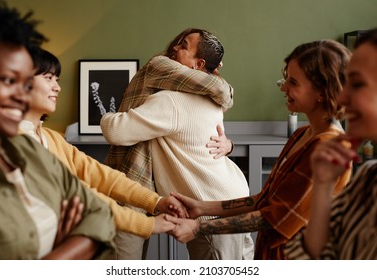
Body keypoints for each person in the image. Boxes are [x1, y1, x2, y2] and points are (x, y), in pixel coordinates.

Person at [166, 39, 353, 260]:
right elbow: (264, 200)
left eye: (293, 82)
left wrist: (198, 228)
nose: (283, 87)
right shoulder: (301, 135)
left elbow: (271, 218)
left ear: (322, 91)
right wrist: (202, 207)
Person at [101, 28, 253, 260]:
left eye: (183, 46)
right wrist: (229, 145)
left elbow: (115, 131)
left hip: (209, 209)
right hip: (232, 197)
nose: (175, 47)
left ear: (198, 64)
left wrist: (105, 116)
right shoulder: (213, 101)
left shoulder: (169, 101)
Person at [18, 49, 186, 247]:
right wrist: (146, 224)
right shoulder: (12, 143)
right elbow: (80, 195)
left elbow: (101, 176)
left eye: (57, 79)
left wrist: (156, 202)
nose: (57, 88)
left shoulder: (52, 139)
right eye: (48, 78)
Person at [0, 0, 115, 259]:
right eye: (8, 80)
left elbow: (100, 214)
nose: (22, 97)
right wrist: (68, 248)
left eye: (25, 85)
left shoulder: (29, 150)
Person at [285, 28, 377, 260]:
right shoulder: (367, 178)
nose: (342, 97)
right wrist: (324, 186)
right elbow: (317, 257)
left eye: (357, 85)